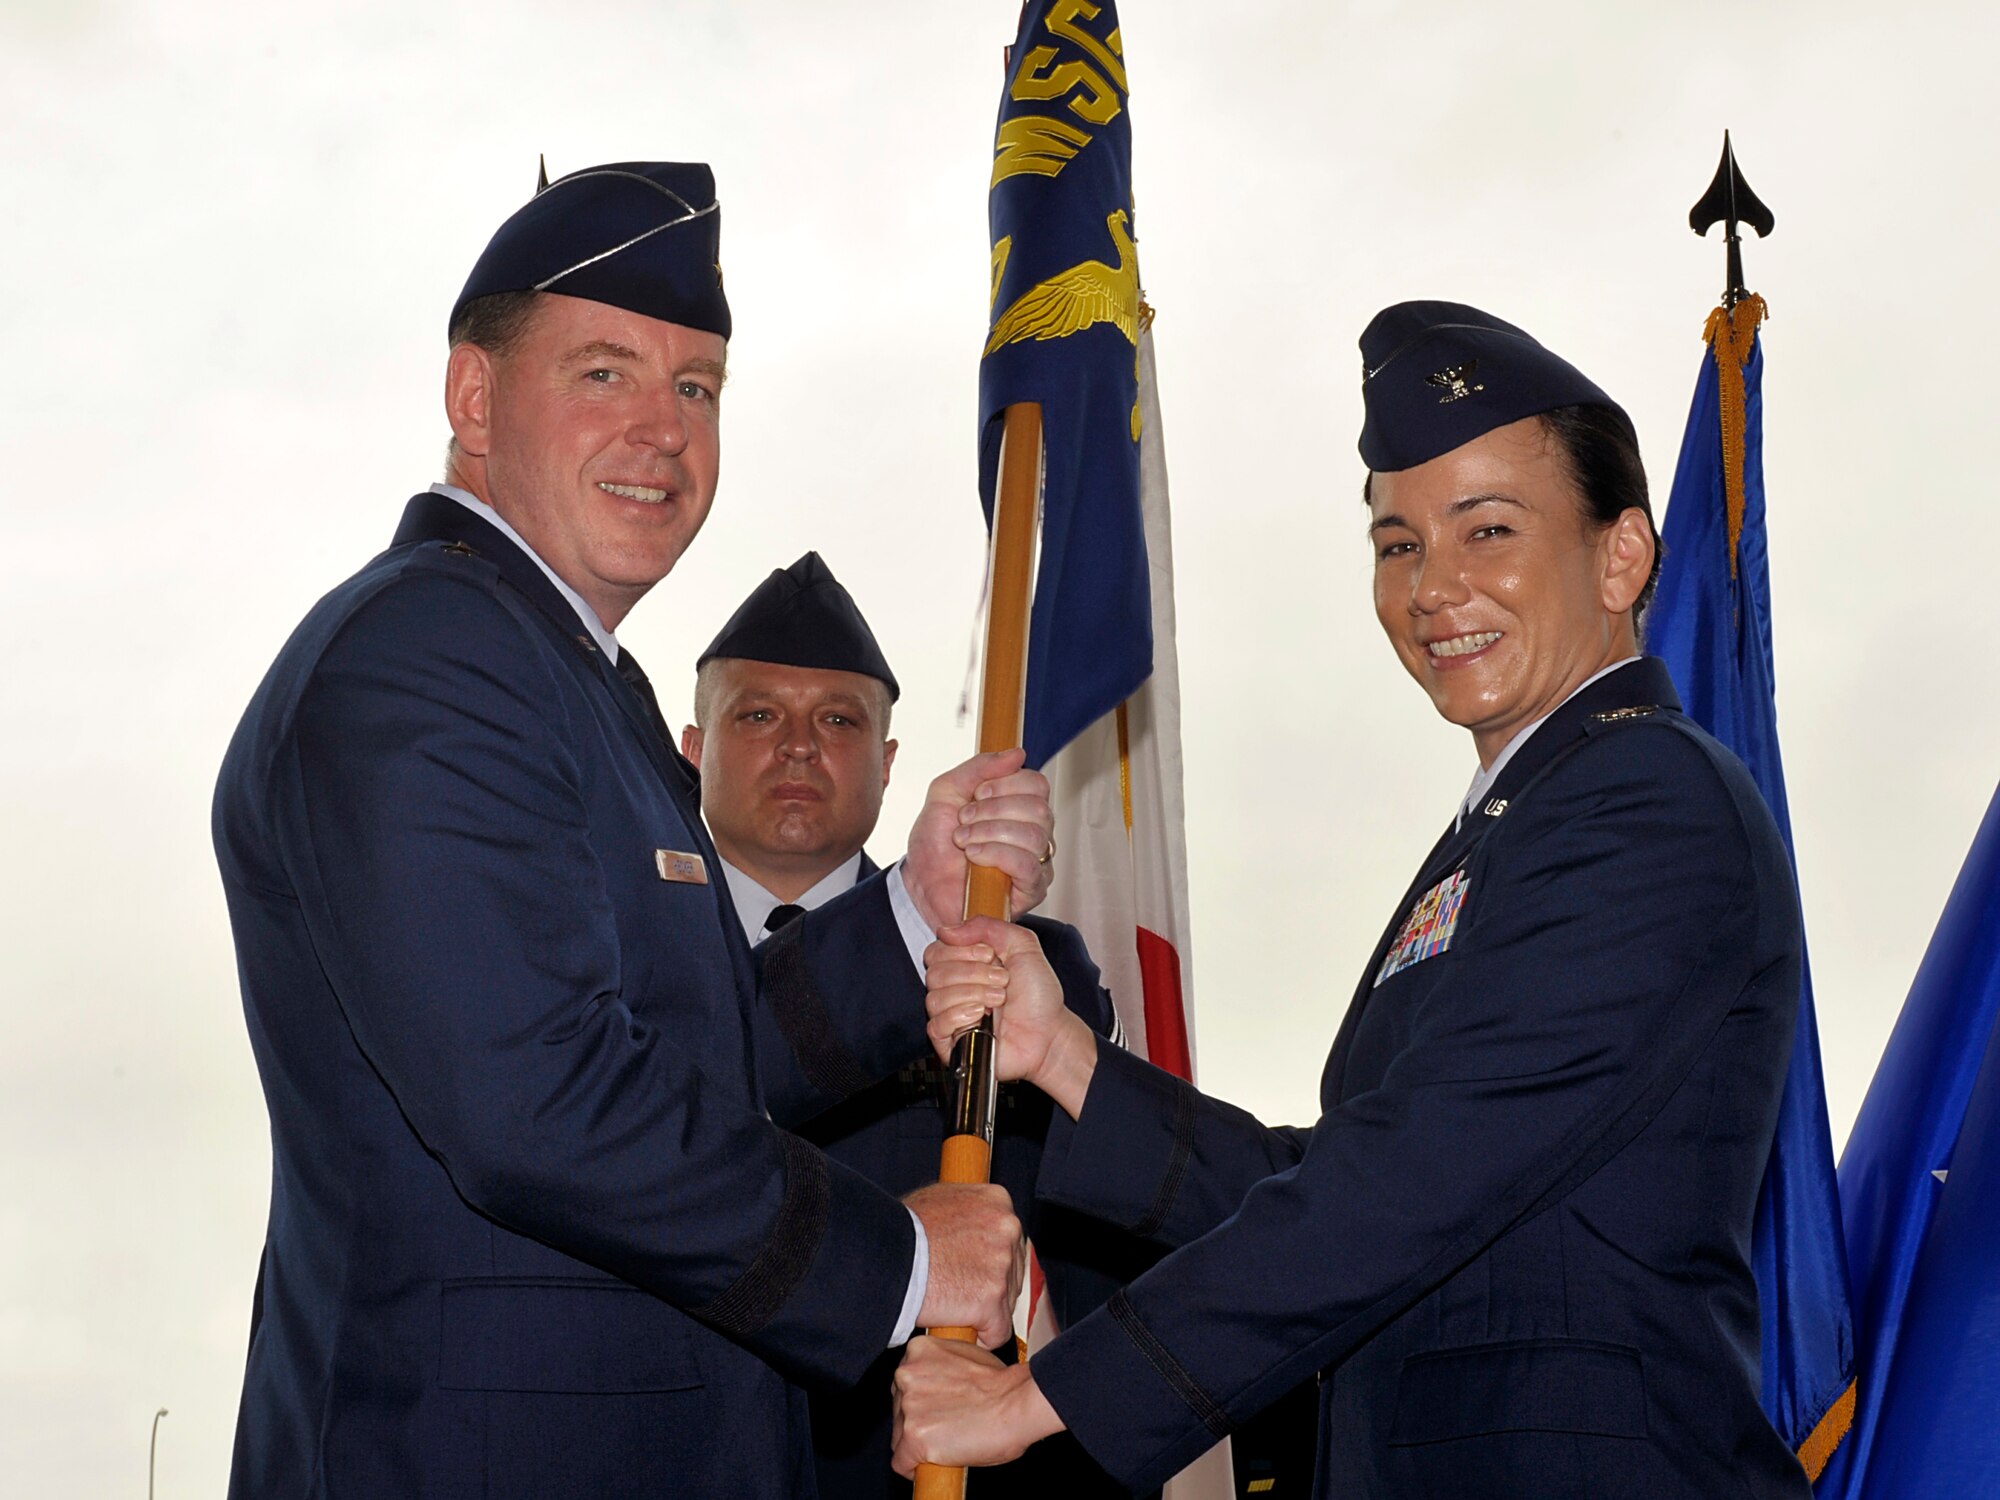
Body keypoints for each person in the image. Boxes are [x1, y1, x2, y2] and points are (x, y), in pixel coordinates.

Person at [212, 160, 1055, 1499]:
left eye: (697, 387)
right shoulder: (423, 657)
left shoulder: (569, 678)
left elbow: (690, 1059)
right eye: (604, 371)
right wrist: (896, 1264)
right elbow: (533, 1098)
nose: (663, 429)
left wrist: (910, 916)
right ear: (473, 399)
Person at [893, 301, 1816, 1500]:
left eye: (1486, 529)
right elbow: (1337, 1181)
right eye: (1397, 544)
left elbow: (1410, 1183)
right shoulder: (1510, 821)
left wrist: (1038, 1397)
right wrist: (1064, 1056)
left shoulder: (1644, 799)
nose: (1434, 588)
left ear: (1621, 554)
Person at [682, 552, 1141, 1498]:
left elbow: (1090, 1267)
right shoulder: (621, 974)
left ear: (891, 764)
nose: (800, 746)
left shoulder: (1014, 964)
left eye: (839, 720)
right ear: (694, 748)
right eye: (759, 714)